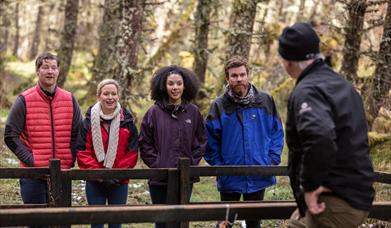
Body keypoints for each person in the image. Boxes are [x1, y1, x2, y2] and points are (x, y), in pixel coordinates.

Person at [278, 22, 375, 228]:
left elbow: (320, 137)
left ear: (288, 62)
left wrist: (310, 189)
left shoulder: (308, 90)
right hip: (356, 196)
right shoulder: (343, 86)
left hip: (335, 200)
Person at [204, 56, 284, 228]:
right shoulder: (219, 105)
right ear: (227, 78)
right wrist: (221, 167)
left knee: (254, 222)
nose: (238, 79)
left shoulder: (265, 101)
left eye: (242, 74)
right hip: (230, 176)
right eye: (234, 76)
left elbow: (277, 132)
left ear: (248, 75)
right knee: (225, 222)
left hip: (258, 173)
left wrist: (271, 160)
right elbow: (209, 141)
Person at [4, 52, 82, 206]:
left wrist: (70, 156)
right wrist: (30, 160)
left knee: (61, 221)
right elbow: (10, 135)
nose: (50, 71)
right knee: (36, 221)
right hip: (33, 174)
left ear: (59, 71)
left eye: (54, 68)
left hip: (62, 174)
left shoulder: (70, 99)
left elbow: (79, 133)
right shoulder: (24, 99)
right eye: (45, 67)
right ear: (37, 71)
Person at [138, 65, 207, 228]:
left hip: (185, 177)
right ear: (164, 85)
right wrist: (159, 165)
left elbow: (201, 141)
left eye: (178, 83)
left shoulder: (193, 112)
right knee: (162, 221)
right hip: (159, 179)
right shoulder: (153, 112)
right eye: (170, 84)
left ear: (185, 86)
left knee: (181, 220)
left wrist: (190, 164)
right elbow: (144, 143)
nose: (175, 87)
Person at [76, 79, 138, 228]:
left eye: (113, 94)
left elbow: (132, 152)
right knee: (96, 222)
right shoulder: (88, 122)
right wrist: (101, 176)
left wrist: (117, 175)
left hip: (119, 182)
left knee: (116, 223)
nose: (110, 97)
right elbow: (82, 152)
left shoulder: (127, 121)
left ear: (118, 96)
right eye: (106, 94)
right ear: (99, 96)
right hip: (95, 181)